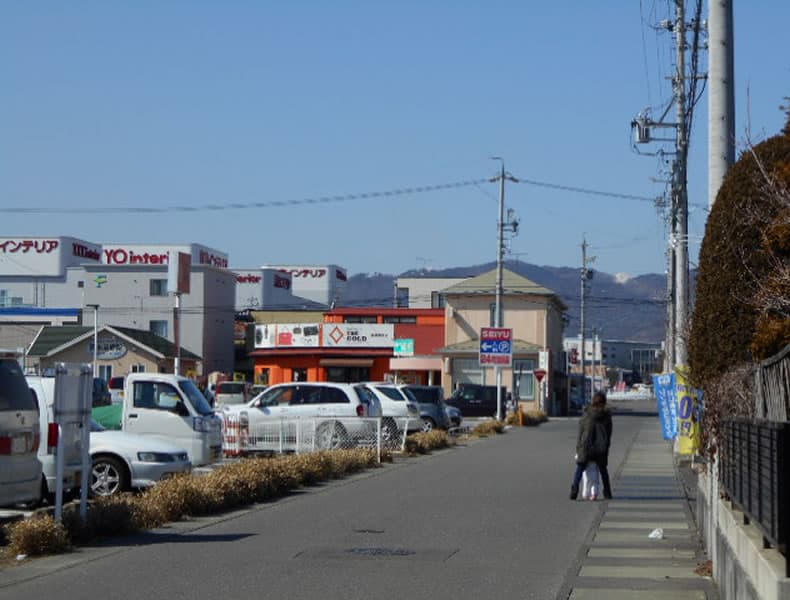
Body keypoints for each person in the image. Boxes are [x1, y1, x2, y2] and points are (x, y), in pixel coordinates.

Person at [570, 390, 613, 500]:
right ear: (604, 403)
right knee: (603, 471)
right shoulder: (607, 418)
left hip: (586, 447)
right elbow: (608, 434)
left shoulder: (587, 415)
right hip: (600, 449)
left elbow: (580, 432)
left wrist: (578, 448)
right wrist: (606, 447)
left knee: (579, 469)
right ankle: (607, 492)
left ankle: (574, 490)